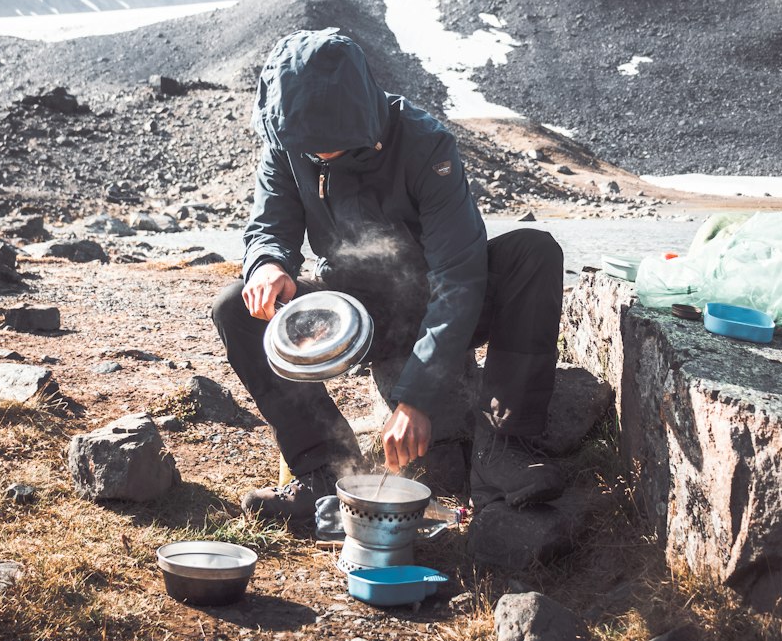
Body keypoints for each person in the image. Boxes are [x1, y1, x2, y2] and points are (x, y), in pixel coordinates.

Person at [212, 28, 564, 529]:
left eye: (327, 145)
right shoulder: (290, 140)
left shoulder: (425, 145)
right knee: (235, 309)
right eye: (304, 145)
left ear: (358, 114)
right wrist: (268, 262)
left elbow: (459, 278)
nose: (315, 153)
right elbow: (271, 224)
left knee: (533, 253)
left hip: (436, 297)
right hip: (354, 314)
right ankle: (322, 474)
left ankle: (505, 448)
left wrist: (416, 398)